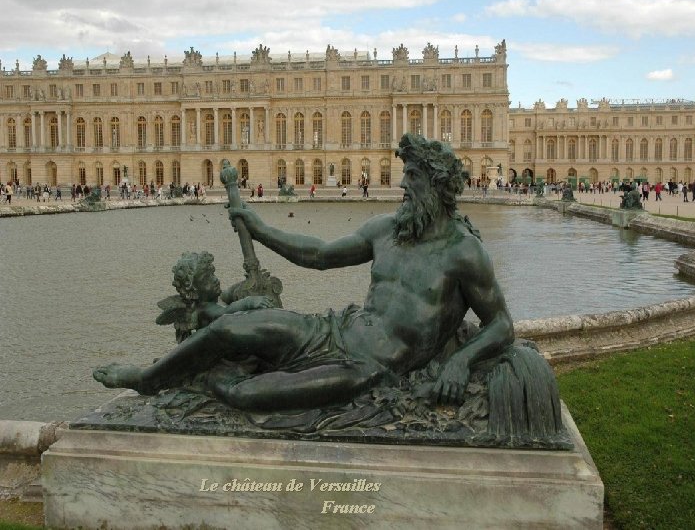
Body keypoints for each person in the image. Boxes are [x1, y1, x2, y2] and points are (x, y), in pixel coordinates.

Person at [94, 134, 515, 412]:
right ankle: (149, 379)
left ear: (438, 186)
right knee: (229, 331)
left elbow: (500, 324)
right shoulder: (387, 230)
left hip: (368, 366)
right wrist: (259, 229)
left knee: (246, 394)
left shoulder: (464, 252)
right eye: (404, 175)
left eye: (413, 177)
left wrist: (461, 361)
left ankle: (209, 377)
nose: (402, 185)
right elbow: (319, 254)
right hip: (331, 330)